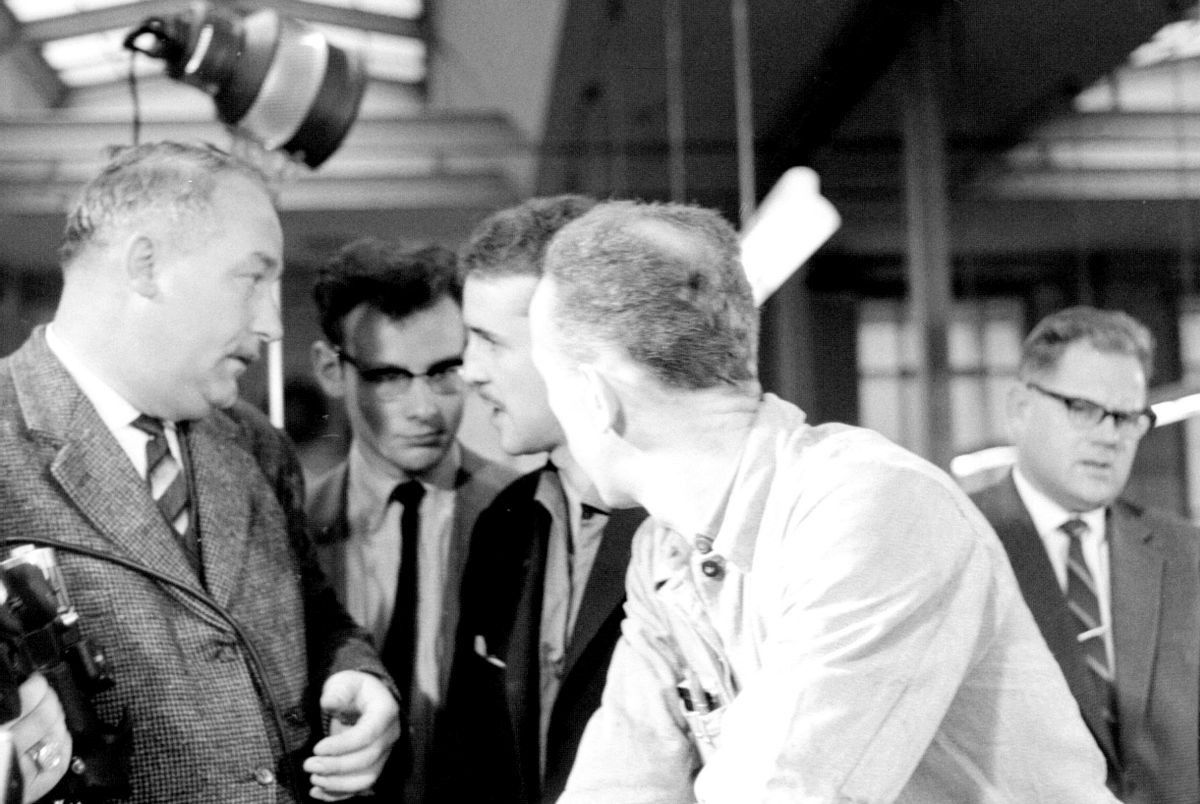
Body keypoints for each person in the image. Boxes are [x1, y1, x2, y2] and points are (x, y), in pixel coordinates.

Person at [527, 199, 1117, 803]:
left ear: (595, 397)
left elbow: (784, 792)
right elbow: (618, 784)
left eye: (550, 382)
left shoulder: (877, 508)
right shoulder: (665, 552)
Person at [0, 141, 400, 803]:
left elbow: (315, 612)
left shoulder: (255, 443)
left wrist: (355, 674)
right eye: (253, 279)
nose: (272, 325)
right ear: (147, 265)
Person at [435, 196, 646, 803]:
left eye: (490, 342)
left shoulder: (682, 524)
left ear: (576, 345)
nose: (469, 371)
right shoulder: (502, 521)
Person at [306, 237, 516, 801]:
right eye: (389, 377)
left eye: (445, 371)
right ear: (331, 369)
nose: (425, 409)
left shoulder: (524, 513)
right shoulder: (291, 527)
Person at [970, 306, 1199, 803]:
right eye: (1083, 408)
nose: (1109, 436)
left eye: (1127, 417)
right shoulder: (961, 544)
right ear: (1020, 408)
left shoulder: (1188, 558)